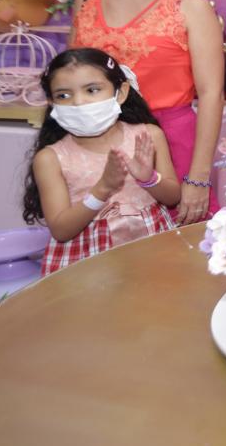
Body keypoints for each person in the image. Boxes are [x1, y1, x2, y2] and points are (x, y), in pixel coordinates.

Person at [70, 0, 225, 224]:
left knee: (176, 246)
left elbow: (212, 94)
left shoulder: (191, 7)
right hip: (95, 143)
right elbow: (71, 76)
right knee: (104, 244)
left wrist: (198, 177)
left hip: (171, 144)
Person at [23, 48, 180, 275]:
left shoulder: (149, 136)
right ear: (51, 102)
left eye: (92, 90)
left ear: (121, 93)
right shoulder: (50, 158)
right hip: (89, 266)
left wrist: (149, 179)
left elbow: (173, 197)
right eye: (63, 96)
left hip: (151, 249)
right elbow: (61, 230)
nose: (79, 102)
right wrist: (102, 190)